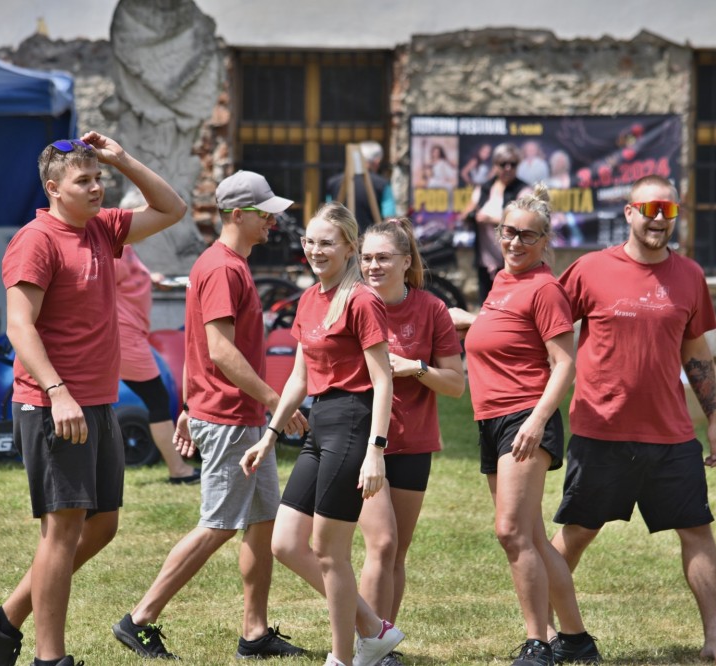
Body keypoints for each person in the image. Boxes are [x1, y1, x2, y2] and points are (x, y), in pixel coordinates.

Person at [0, 132, 188, 666]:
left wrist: (122, 159)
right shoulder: (35, 241)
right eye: (83, 180)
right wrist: (57, 392)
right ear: (53, 189)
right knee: (61, 532)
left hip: (97, 402)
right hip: (53, 406)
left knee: (102, 524)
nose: (96, 187)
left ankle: (1, 622)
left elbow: (172, 209)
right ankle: (49, 658)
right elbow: (20, 327)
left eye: (98, 178)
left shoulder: (102, 229)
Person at [111, 171, 309, 661]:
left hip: (232, 413)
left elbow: (194, 344)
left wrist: (185, 406)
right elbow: (219, 351)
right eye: (265, 214)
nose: (272, 221)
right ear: (237, 215)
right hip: (229, 417)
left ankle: (254, 633)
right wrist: (275, 402)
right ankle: (139, 620)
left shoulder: (227, 264)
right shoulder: (222, 268)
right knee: (218, 525)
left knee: (262, 520)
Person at [550, 174, 716, 661]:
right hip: (600, 429)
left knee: (696, 530)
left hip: (670, 434)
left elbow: (696, 350)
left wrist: (714, 418)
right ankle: (541, 628)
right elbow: (549, 324)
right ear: (629, 212)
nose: (658, 219)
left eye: (668, 210)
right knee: (578, 532)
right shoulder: (590, 269)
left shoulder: (689, 275)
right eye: (649, 209)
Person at [240, 202, 403, 666]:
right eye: (309, 241)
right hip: (321, 422)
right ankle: (372, 628)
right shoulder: (310, 298)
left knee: (329, 553)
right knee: (286, 543)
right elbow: (299, 377)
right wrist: (270, 435)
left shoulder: (362, 300)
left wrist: (376, 450)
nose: (315, 250)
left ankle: (342, 658)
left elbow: (383, 380)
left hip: (353, 422)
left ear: (349, 247)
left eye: (326, 243)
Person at [451, 185, 600, 666]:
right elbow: (508, 329)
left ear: (544, 240)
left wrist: (536, 421)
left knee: (511, 532)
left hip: (524, 417)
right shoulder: (502, 280)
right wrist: (471, 321)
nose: (515, 242)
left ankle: (539, 642)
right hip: (491, 419)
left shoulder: (545, 288)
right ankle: (575, 641)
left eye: (527, 236)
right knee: (530, 538)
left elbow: (564, 364)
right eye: (509, 232)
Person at [357, 217, 465, 665]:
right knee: (380, 545)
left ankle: (380, 645)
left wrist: (415, 367)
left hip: (415, 442)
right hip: (365, 443)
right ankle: (365, 643)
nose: (373, 266)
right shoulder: (353, 302)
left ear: (406, 262)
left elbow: (456, 384)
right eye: (366, 258)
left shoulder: (431, 310)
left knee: (397, 551)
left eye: (383, 258)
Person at [113, 244, 199, 483]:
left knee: (154, 400)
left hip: (131, 335)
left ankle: (178, 467)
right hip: (125, 338)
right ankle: (178, 470)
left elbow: (125, 277)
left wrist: (149, 278)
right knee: (157, 400)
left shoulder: (125, 246)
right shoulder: (110, 247)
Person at [464, 143, 531, 301]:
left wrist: (491, 220)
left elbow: (524, 222)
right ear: (495, 165)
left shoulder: (523, 190)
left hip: (513, 260)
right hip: (485, 259)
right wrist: (473, 216)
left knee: (510, 304)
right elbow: (465, 214)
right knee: (485, 303)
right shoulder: (484, 188)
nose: (508, 168)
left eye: (513, 164)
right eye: (503, 164)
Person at [326, 140, 395, 234]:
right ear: (377, 161)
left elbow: (328, 213)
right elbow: (389, 217)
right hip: (370, 237)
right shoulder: (382, 184)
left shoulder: (333, 182)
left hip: (341, 237)